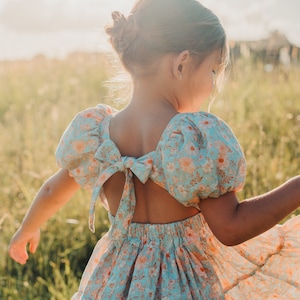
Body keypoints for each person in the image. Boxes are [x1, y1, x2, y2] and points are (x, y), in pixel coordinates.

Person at [8, 0, 300, 299]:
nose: (212, 84)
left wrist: (26, 230)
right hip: (184, 285)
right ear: (182, 63)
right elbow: (230, 228)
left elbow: (51, 191)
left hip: (114, 282)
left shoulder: (97, 134)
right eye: (212, 71)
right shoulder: (190, 141)